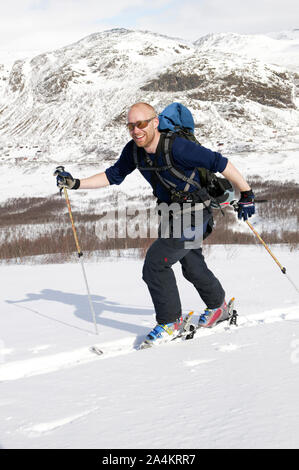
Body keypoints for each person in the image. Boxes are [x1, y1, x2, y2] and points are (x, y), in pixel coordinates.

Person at [55, 102, 255, 345]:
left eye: (141, 124)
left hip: (194, 215)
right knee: (191, 263)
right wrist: (75, 183)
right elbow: (113, 175)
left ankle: (171, 323)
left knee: (155, 264)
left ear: (155, 123)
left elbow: (220, 163)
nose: (136, 130)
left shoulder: (178, 147)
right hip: (170, 214)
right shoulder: (134, 151)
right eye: (130, 126)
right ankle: (218, 307)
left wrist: (246, 194)